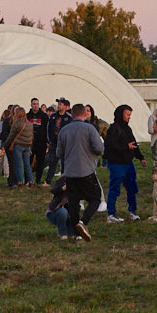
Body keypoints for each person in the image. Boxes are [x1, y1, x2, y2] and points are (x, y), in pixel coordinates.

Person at [56, 102, 104, 241]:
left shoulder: (64, 130)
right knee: (95, 199)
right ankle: (84, 222)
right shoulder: (89, 129)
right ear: (84, 114)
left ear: (72, 115)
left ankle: (78, 235)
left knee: (74, 202)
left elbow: (59, 152)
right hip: (86, 170)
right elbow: (99, 149)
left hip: (70, 172)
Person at [103, 104, 144, 222]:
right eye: (127, 114)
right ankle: (111, 214)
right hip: (117, 164)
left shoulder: (128, 129)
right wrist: (126, 147)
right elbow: (111, 145)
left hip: (128, 163)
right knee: (114, 188)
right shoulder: (113, 129)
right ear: (121, 114)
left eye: (130, 115)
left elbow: (133, 143)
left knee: (132, 187)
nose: (129, 117)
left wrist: (140, 157)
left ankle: (132, 211)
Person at [4, 107, 34, 187]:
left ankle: (20, 181)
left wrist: (5, 145)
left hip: (19, 146)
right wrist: (30, 146)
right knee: (27, 164)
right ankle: (31, 180)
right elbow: (32, 136)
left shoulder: (16, 123)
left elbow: (11, 136)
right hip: (27, 146)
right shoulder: (30, 124)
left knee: (18, 165)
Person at [44, 98, 72, 183]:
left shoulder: (68, 117)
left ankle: (64, 180)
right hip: (54, 142)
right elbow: (49, 128)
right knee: (52, 161)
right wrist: (49, 140)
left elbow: (71, 130)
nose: (59, 106)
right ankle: (48, 180)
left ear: (65, 106)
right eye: (58, 104)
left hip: (64, 143)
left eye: (61, 104)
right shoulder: (53, 116)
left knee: (64, 162)